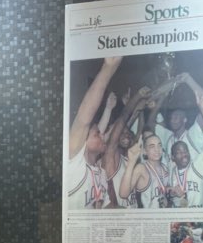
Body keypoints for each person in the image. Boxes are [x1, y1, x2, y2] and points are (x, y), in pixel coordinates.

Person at [66, 56, 122, 209]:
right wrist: (108, 68)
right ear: (82, 142)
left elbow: (107, 208)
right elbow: (83, 120)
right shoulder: (73, 164)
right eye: (97, 134)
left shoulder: (101, 173)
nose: (103, 135)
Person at [168, 95, 203, 208]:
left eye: (185, 151)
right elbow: (167, 193)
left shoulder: (197, 166)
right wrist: (170, 192)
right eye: (179, 152)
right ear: (172, 157)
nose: (184, 154)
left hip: (197, 219)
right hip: (177, 221)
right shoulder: (172, 173)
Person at [117, 130, 171, 208]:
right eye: (152, 146)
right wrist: (131, 162)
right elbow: (123, 194)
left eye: (159, 145)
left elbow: (164, 192)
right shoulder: (142, 168)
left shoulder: (165, 168)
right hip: (148, 218)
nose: (157, 149)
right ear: (145, 151)